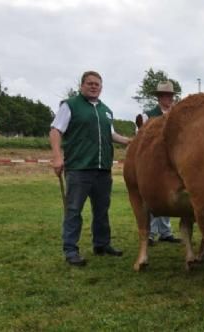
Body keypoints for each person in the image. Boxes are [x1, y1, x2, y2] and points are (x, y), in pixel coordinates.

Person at [50, 71, 131, 266]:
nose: (94, 86)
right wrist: (57, 157)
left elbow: (112, 135)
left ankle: (102, 244)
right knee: (74, 210)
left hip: (103, 169)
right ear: (82, 85)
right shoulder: (70, 106)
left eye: (97, 84)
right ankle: (71, 250)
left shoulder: (106, 111)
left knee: (102, 210)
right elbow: (55, 130)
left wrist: (131, 141)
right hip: (79, 168)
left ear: (101, 88)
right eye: (90, 83)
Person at [139, 81, 181, 245]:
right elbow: (140, 140)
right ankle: (150, 233)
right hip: (152, 161)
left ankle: (165, 232)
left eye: (170, 95)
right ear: (159, 97)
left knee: (167, 196)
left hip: (171, 161)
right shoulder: (147, 115)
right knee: (150, 196)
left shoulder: (177, 115)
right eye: (164, 95)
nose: (168, 98)